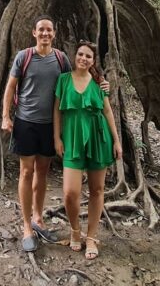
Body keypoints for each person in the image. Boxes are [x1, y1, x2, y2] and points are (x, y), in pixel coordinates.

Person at [1, 15, 71, 252]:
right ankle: (26, 226)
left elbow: (75, 84)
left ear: (54, 33)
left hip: (50, 125)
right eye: (41, 30)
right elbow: (11, 86)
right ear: (34, 33)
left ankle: (38, 218)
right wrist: (5, 116)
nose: (45, 34)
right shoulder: (24, 56)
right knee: (26, 171)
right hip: (25, 122)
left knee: (43, 172)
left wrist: (101, 85)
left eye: (49, 30)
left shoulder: (61, 59)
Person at [53, 40, 122, 260]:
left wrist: (116, 141)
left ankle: (91, 236)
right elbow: (57, 112)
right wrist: (57, 138)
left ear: (93, 61)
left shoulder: (99, 83)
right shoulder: (63, 80)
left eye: (88, 56)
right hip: (72, 139)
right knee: (70, 193)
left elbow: (108, 112)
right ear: (75, 56)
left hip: (97, 137)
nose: (84, 58)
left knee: (97, 190)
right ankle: (75, 230)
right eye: (81, 54)